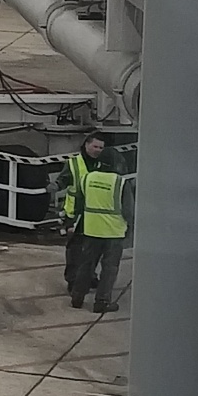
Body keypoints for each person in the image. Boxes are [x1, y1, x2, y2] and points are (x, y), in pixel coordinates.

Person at [67, 139, 133, 312]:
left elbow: (79, 203)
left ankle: (77, 298)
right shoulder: (120, 182)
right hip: (113, 233)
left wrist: (72, 223)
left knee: (86, 265)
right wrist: (131, 228)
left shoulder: (87, 178)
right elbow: (128, 211)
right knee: (109, 269)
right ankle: (101, 302)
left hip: (91, 230)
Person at [59, 132, 107, 291]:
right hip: (76, 214)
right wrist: (56, 185)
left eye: (101, 148)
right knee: (75, 250)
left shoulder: (104, 164)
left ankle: (89, 275)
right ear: (86, 144)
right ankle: (73, 280)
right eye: (95, 146)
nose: (98, 150)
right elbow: (64, 179)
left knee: (94, 249)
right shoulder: (74, 163)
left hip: (96, 214)